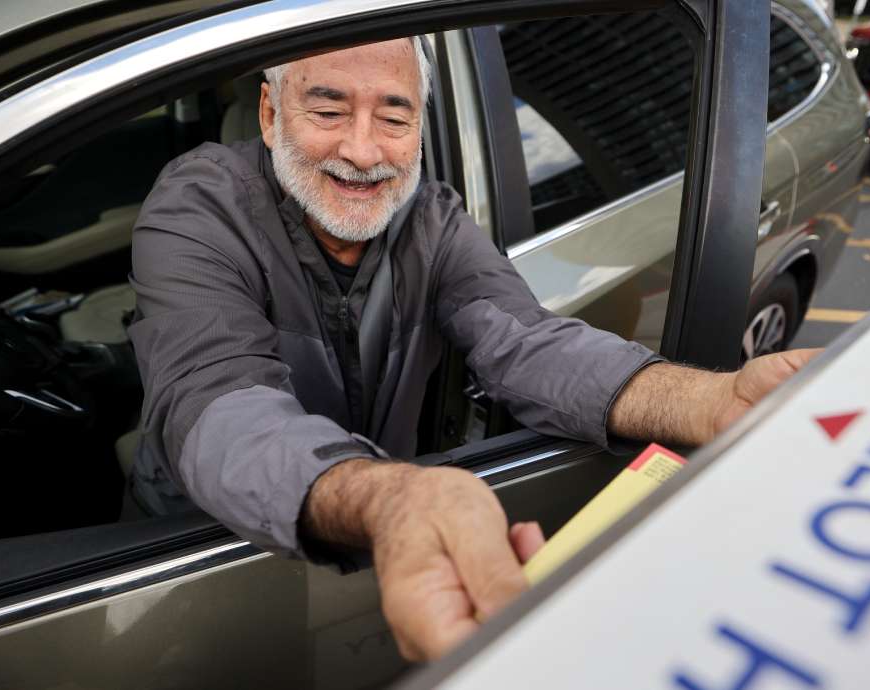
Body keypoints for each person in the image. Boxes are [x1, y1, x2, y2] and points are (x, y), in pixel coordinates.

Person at [127, 36, 818, 661]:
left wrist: (713, 397)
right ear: (271, 115)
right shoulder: (200, 204)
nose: (364, 151)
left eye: (394, 119)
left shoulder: (431, 219)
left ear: (420, 132)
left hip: (370, 543)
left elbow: (528, 341)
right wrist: (388, 498)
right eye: (329, 111)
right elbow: (214, 398)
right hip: (199, 551)